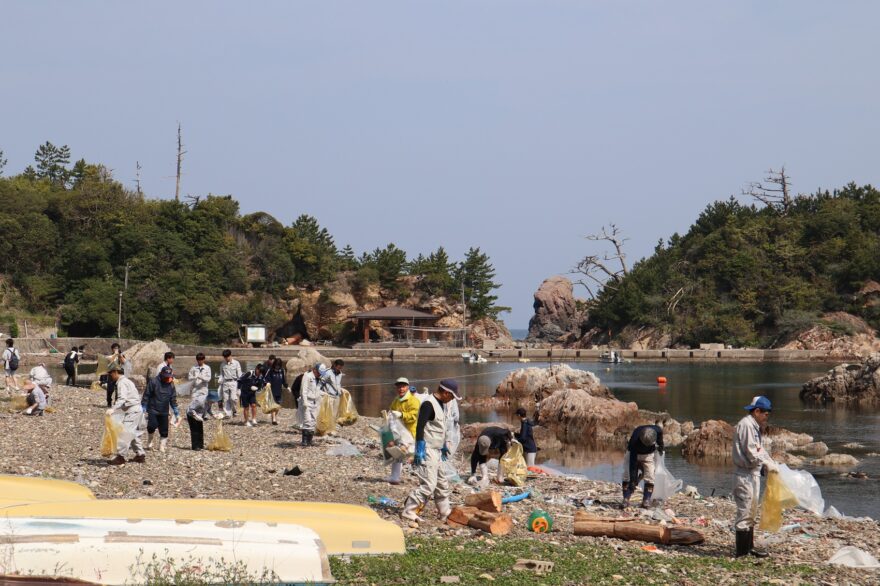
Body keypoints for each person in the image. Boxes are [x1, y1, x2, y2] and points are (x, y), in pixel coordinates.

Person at [401, 379, 461, 522]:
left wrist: (444, 444)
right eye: (452, 396)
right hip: (427, 449)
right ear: (446, 393)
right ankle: (409, 510)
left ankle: (444, 511)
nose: (452, 399)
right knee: (429, 484)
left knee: (442, 483)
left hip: (437, 450)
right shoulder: (428, 404)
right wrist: (419, 447)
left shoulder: (441, 404)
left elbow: (440, 426)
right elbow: (420, 426)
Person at [733, 395, 778, 558]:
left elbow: (759, 449)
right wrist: (765, 463)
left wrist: (769, 462)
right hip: (744, 474)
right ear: (757, 411)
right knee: (745, 511)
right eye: (766, 413)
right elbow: (751, 451)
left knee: (752, 511)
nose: (767, 416)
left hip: (753, 473)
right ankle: (741, 551)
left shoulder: (753, 426)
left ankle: (749, 547)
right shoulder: (746, 425)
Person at [106, 364, 146, 465]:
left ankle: (120, 457)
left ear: (115, 372)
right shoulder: (128, 381)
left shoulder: (121, 383)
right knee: (133, 433)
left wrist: (113, 409)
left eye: (111, 374)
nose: (110, 376)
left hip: (132, 410)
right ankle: (140, 455)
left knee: (125, 433)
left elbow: (122, 398)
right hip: (137, 409)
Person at [387, 377, 420, 484]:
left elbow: (414, 416)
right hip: (399, 433)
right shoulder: (396, 400)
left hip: (410, 433)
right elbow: (391, 411)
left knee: (413, 456)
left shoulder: (413, 400)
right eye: (399, 386)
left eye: (403, 386)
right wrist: (388, 417)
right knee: (397, 455)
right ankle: (395, 477)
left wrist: (401, 415)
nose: (401, 389)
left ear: (408, 387)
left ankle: (425, 478)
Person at [621, 424, 664, 509]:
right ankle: (626, 499)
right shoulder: (634, 442)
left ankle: (646, 500)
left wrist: (661, 445)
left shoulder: (656, 430)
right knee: (627, 475)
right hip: (633, 454)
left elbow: (660, 435)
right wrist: (633, 481)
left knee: (650, 475)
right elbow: (632, 465)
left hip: (648, 455)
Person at [142, 366, 180, 453]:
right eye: (165, 376)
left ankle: (162, 446)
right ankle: (150, 441)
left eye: (169, 376)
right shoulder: (154, 382)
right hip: (153, 408)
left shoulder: (171, 384)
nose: (167, 378)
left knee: (164, 429)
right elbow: (146, 395)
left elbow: (173, 399)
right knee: (151, 426)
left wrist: (176, 410)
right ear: (161, 374)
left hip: (164, 410)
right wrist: (143, 407)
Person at [299, 363, 326, 446]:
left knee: (313, 422)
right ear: (315, 370)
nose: (319, 375)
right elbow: (304, 390)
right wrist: (305, 402)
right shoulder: (307, 376)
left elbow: (317, 391)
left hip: (315, 402)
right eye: (318, 373)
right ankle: (304, 441)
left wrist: (324, 394)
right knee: (307, 421)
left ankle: (310, 440)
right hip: (307, 401)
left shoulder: (318, 379)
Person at [186, 353, 212, 422]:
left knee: (204, 402)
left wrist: (201, 377)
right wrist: (194, 377)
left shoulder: (207, 368)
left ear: (203, 360)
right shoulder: (193, 368)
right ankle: (195, 415)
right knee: (194, 401)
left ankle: (204, 414)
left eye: (201, 360)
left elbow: (208, 379)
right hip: (195, 388)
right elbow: (189, 377)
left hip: (204, 388)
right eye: (198, 360)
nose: (200, 361)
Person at [238, 363, 266, 427]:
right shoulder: (249, 373)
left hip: (252, 393)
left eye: (261, 372)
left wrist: (257, 388)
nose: (260, 373)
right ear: (256, 369)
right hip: (244, 393)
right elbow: (240, 380)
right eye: (259, 371)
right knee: (246, 407)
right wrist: (238, 389)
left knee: (254, 405)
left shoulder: (260, 377)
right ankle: (246, 421)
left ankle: (254, 419)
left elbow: (260, 386)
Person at [217, 349, 242, 419]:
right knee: (226, 399)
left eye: (227, 357)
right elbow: (221, 374)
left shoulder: (236, 363)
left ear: (230, 355)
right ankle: (228, 413)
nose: (226, 358)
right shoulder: (222, 364)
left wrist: (240, 383)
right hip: (225, 382)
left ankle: (234, 411)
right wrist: (220, 380)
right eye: (225, 357)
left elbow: (239, 374)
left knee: (233, 398)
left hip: (234, 382)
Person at [266, 358, 287, 425]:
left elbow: (283, 380)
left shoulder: (282, 371)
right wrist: (268, 383)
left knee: (278, 405)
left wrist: (287, 386)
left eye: (278, 365)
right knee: (273, 405)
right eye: (276, 365)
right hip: (272, 391)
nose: (277, 367)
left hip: (279, 391)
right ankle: (274, 419)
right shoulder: (270, 370)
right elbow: (266, 378)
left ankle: (274, 416)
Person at [105, 343, 127, 408]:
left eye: (117, 348)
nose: (116, 349)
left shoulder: (121, 355)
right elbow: (110, 361)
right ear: (112, 349)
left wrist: (120, 355)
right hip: (111, 375)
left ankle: (116, 402)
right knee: (110, 390)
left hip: (118, 375)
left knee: (118, 389)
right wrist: (115, 354)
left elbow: (124, 362)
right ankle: (109, 402)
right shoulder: (110, 356)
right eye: (115, 348)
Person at [444, 392, 461, 456]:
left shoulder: (437, 400)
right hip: (451, 431)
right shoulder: (453, 401)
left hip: (440, 433)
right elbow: (457, 417)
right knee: (449, 451)